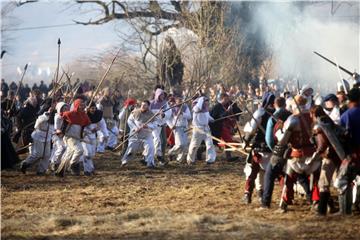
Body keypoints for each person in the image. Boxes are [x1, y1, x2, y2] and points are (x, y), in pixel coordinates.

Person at [273, 95, 318, 212]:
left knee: (288, 178)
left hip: (296, 156)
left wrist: (279, 135)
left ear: (294, 105)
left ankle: (283, 204)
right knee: (316, 180)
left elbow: (283, 141)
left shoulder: (292, 119)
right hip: (314, 155)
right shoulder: (313, 117)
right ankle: (317, 202)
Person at [242, 92, 275, 204]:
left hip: (259, 148)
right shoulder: (278, 113)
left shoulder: (260, 113)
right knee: (267, 174)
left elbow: (251, 131)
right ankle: (262, 195)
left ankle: (248, 195)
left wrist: (245, 142)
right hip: (273, 149)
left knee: (252, 171)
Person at [310, 105, 343, 215]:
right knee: (339, 183)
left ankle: (321, 211)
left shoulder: (320, 126)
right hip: (337, 157)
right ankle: (342, 209)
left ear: (314, 114)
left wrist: (315, 155)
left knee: (323, 184)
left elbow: (322, 144)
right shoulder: (329, 122)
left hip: (329, 157)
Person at [336, 87, 360, 214]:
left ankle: (345, 211)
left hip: (353, 154)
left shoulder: (346, 116)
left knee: (343, 181)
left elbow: (342, 137)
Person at [56, 99, 91, 177]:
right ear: (76, 106)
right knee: (80, 150)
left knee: (68, 155)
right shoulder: (70, 114)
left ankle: (60, 171)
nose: (82, 107)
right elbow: (59, 116)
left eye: (83, 105)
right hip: (69, 137)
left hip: (77, 138)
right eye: (80, 105)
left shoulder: (84, 115)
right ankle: (73, 164)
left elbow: (87, 124)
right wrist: (58, 129)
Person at [20, 103, 55, 175]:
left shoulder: (55, 117)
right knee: (38, 154)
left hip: (48, 136)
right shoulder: (42, 117)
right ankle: (25, 163)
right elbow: (37, 124)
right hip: (38, 136)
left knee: (47, 154)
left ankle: (41, 170)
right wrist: (47, 114)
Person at [121, 100, 156, 168]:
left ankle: (150, 163)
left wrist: (148, 126)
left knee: (150, 148)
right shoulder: (135, 112)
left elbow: (155, 125)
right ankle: (124, 161)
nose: (143, 106)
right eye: (142, 105)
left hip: (147, 135)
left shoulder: (151, 115)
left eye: (145, 105)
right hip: (135, 135)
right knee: (131, 150)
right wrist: (135, 128)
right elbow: (129, 121)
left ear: (148, 106)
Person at [210, 93, 242, 161]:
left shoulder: (221, 106)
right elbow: (220, 117)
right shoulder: (217, 106)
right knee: (213, 142)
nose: (228, 101)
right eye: (226, 99)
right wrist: (227, 111)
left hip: (220, 126)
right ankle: (200, 151)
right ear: (223, 98)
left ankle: (228, 156)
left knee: (227, 140)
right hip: (216, 127)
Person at [186, 96, 216, 165]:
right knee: (194, 145)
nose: (206, 103)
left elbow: (207, 117)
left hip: (206, 129)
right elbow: (198, 108)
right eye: (205, 102)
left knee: (210, 144)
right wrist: (201, 98)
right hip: (198, 129)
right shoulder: (196, 107)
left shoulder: (205, 109)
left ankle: (210, 160)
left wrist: (212, 119)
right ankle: (190, 160)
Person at [82, 102, 107, 175]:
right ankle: (86, 170)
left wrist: (105, 134)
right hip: (85, 136)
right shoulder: (83, 115)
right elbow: (80, 126)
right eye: (92, 108)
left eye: (94, 108)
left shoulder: (98, 116)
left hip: (93, 136)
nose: (93, 110)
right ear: (88, 108)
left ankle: (91, 169)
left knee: (92, 154)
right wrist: (87, 130)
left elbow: (102, 125)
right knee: (87, 153)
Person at [166, 95, 191, 163]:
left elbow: (189, 116)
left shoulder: (185, 107)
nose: (179, 102)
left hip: (184, 127)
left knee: (185, 144)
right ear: (176, 101)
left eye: (181, 101)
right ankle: (170, 152)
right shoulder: (172, 108)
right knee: (180, 144)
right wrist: (171, 125)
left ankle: (179, 159)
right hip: (177, 127)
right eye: (178, 101)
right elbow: (167, 119)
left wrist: (183, 113)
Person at [150, 88, 171, 165]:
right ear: (157, 95)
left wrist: (163, 115)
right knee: (156, 140)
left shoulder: (165, 104)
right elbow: (148, 114)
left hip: (162, 125)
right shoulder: (151, 104)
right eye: (160, 94)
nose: (162, 96)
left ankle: (161, 157)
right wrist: (155, 115)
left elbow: (169, 113)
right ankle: (156, 155)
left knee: (164, 142)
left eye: (163, 95)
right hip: (154, 125)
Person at [49, 102, 69, 171]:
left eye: (67, 108)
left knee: (66, 150)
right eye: (64, 109)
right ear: (60, 109)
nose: (66, 110)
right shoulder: (57, 117)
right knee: (61, 148)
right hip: (57, 135)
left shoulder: (67, 116)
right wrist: (60, 133)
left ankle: (61, 164)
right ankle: (53, 162)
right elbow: (56, 128)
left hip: (64, 135)